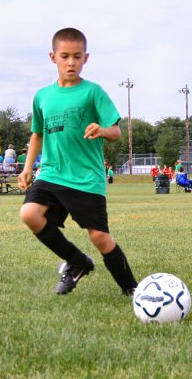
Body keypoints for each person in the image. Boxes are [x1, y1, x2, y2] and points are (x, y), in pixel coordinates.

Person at [17, 27, 138, 296]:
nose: (71, 62)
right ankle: (77, 261)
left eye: (77, 56)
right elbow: (37, 134)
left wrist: (102, 130)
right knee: (29, 214)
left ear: (86, 58)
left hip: (86, 177)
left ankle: (131, 289)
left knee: (99, 237)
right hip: (51, 173)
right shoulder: (42, 96)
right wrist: (27, 168)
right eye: (65, 56)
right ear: (53, 57)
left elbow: (116, 132)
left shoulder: (93, 92)